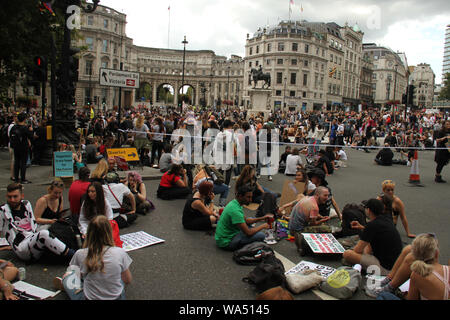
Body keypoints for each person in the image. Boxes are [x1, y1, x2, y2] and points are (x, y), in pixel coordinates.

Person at [56, 215, 132, 300]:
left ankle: (65, 283)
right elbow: (127, 280)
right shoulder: (120, 252)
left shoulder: (80, 253)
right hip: (116, 297)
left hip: (89, 297)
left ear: (89, 233)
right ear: (109, 232)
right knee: (118, 278)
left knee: (68, 278)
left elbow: (77, 276)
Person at [0, 183, 74, 262]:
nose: (12, 200)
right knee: (44, 233)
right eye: (9, 197)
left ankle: (74, 251)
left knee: (57, 230)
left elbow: (33, 223)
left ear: (22, 196)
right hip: (22, 248)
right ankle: (74, 254)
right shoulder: (3, 211)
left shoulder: (26, 204)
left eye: (15, 196)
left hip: (33, 239)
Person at [370, 233, 445, 299]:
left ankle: (390, 287)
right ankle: (389, 281)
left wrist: (404, 295)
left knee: (383, 295)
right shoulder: (447, 269)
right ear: (436, 254)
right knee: (408, 249)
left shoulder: (416, 275)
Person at [342, 198, 403, 276]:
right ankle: (364, 262)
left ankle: (362, 266)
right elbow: (377, 232)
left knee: (347, 254)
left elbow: (357, 250)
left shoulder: (372, 225)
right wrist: (362, 227)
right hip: (395, 264)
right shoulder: (387, 219)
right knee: (367, 245)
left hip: (385, 268)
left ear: (368, 210)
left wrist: (356, 252)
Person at [215, 184, 272, 251]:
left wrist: (262, 218)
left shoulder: (235, 203)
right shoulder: (235, 211)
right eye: (248, 197)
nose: (250, 200)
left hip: (223, 237)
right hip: (226, 242)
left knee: (251, 223)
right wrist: (263, 226)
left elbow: (246, 221)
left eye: (251, 197)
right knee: (261, 235)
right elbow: (248, 232)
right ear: (240, 196)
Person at [288, 186, 332, 256]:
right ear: (317, 195)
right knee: (327, 228)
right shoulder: (314, 207)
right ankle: (304, 245)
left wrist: (320, 217)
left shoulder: (308, 198)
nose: (327, 198)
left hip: (291, 227)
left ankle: (301, 244)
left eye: (328, 195)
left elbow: (310, 212)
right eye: (325, 195)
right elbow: (313, 224)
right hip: (298, 231)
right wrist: (323, 220)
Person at [10, 113, 33, 183]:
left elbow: (10, 135)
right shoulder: (25, 128)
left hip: (16, 146)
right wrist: (31, 130)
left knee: (16, 162)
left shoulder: (14, 127)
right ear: (24, 119)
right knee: (23, 163)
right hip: (23, 146)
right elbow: (31, 137)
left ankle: (16, 178)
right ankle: (23, 178)